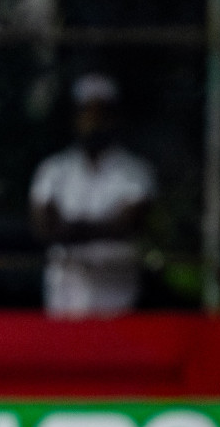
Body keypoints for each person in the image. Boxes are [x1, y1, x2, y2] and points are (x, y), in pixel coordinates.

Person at [30, 73, 156, 317]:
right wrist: (103, 227)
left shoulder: (135, 172)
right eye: (86, 112)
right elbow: (43, 226)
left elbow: (131, 222)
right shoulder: (54, 170)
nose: (93, 121)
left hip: (118, 301)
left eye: (101, 113)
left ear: (115, 117)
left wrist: (71, 229)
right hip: (64, 301)